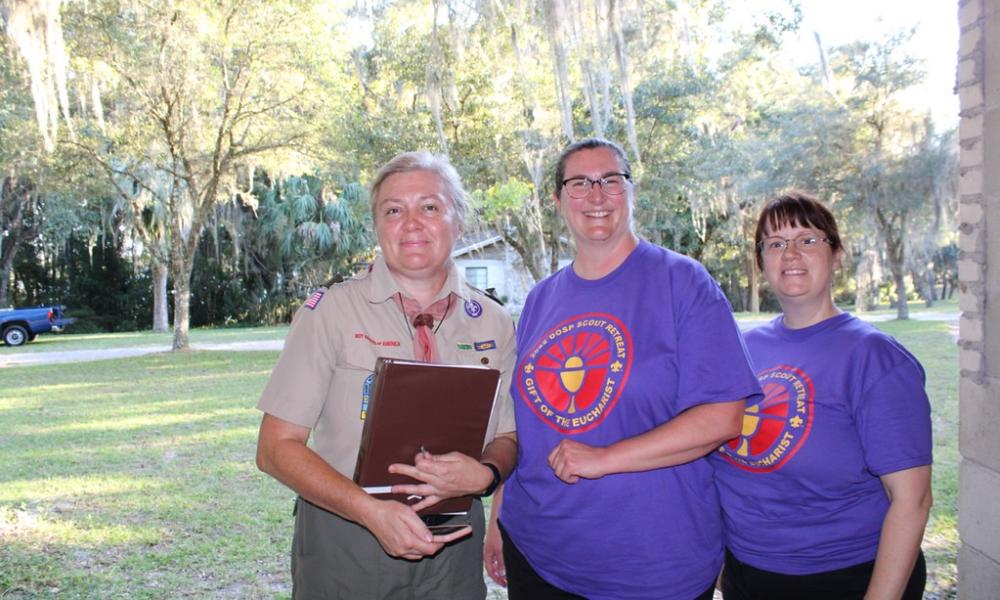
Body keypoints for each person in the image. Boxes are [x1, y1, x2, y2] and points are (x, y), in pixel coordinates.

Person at [485, 138, 762, 600]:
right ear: (557, 200)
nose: (596, 195)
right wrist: (498, 517)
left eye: (610, 180)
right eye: (579, 183)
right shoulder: (541, 299)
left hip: (648, 563)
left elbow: (721, 417)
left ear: (631, 192)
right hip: (537, 551)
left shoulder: (683, 282)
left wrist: (603, 458)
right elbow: (527, 423)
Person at [255, 151, 518, 599]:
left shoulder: (493, 321)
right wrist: (371, 513)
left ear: (457, 219)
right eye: (393, 210)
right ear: (377, 226)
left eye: (429, 207)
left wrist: (488, 475)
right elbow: (275, 449)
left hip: (452, 547)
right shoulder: (331, 312)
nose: (411, 223)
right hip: (348, 541)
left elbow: (508, 437)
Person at [713, 191, 933, 600]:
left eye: (808, 239)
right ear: (761, 263)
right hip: (749, 573)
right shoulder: (742, 348)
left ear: (835, 256)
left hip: (846, 576)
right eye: (775, 244)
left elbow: (912, 500)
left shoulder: (875, 358)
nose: (791, 253)